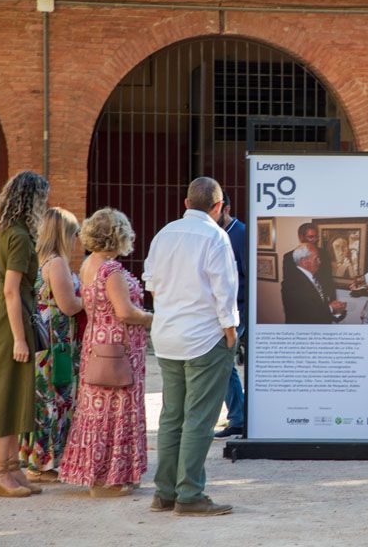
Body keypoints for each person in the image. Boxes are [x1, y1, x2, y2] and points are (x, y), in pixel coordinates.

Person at [144, 177, 239, 516]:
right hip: (204, 337)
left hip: (168, 335)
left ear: (186, 204)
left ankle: (164, 492)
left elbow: (151, 286)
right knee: (199, 418)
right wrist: (230, 331)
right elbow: (224, 291)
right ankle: (190, 494)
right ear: (218, 207)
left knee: (172, 416)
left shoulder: (163, 234)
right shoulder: (217, 236)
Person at [59, 208, 153, 497]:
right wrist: (154, 318)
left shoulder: (89, 264)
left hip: (96, 344)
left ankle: (99, 473)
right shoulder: (111, 271)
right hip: (117, 348)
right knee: (116, 411)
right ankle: (107, 480)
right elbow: (125, 312)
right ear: (118, 235)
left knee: (96, 411)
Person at [0, 171, 49, 497]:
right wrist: (20, 337)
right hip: (13, 322)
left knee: (12, 390)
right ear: (32, 200)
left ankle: (11, 466)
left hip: (4, 319)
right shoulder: (20, 236)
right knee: (4, 391)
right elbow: (10, 290)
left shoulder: (4, 231)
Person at [19, 208, 84, 482]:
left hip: (43, 340)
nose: (76, 240)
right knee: (53, 400)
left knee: (43, 399)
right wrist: (92, 299)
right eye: (74, 233)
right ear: (63, 234)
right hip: (55, 343)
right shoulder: (56, 262)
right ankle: (44, 464)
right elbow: (68, 306)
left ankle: (37, 460)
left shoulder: (38, 258)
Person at [214, 195, 246, 439]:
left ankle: (239, 418)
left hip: (239, 310)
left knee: (224, 365)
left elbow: (248, 276)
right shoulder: (211, 233)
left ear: (227, 208)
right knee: (225, 366)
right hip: (218, 312)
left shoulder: (240, 233)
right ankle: (239, 416)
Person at [282, 244, 346, 324]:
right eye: (316, 259)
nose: (320, 262)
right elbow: (304, 315)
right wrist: (331, 308)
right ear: (304, 262)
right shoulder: (292, 284)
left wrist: (336, 310)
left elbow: (320, 305)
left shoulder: (317, 277)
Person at [282, 222, 336, 299]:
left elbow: (329, 280)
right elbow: (287, 287)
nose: (315, 240)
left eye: (316, 237)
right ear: (301, 237)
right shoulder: (289, 257)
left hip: (323, 302)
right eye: (311, 237)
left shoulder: (324, 254)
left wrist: (333, 301)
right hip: (303, 303)